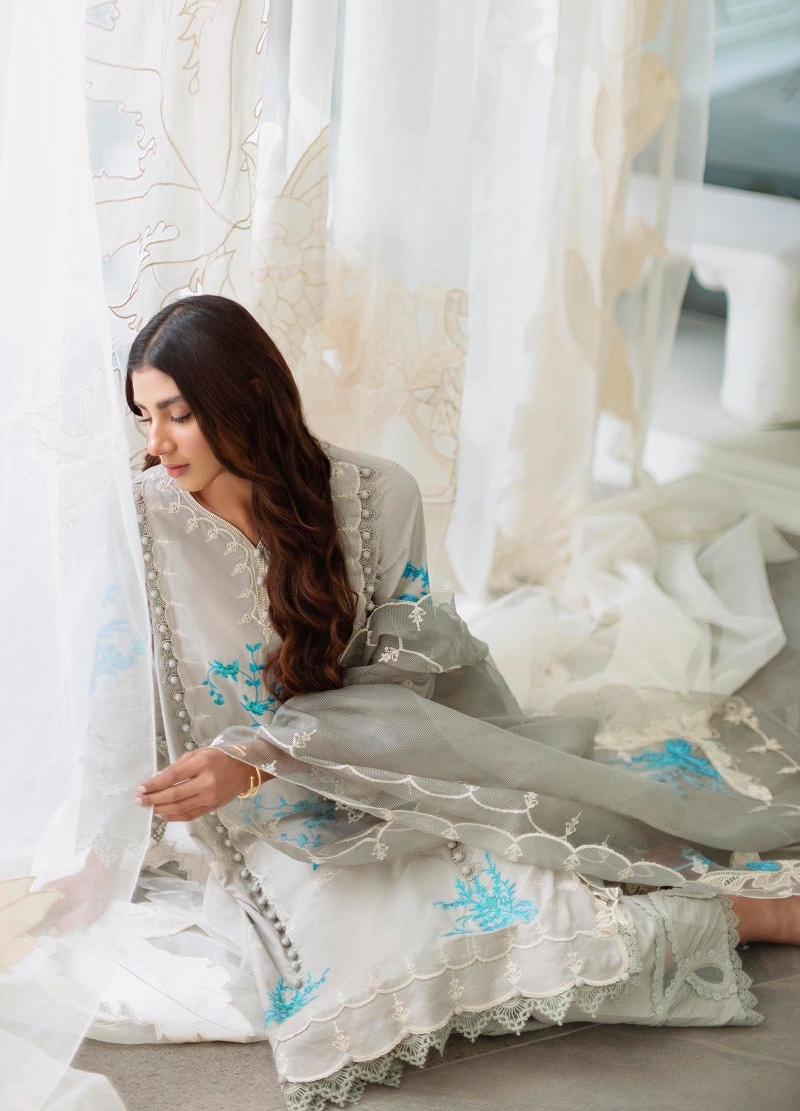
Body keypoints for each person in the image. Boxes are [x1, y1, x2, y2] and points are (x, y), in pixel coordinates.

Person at [100, 294, 800, 1109]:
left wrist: (258, 757)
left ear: (246, 396)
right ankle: (746, 920)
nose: (155, 444)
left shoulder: (376, 495)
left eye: (178, 415)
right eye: (144, 416)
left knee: (533, 870)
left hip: (401, 766)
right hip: (257, 823)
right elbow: (118, 699)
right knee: (396, 947)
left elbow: (399, 684)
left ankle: (756, 916)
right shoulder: (136, 528)